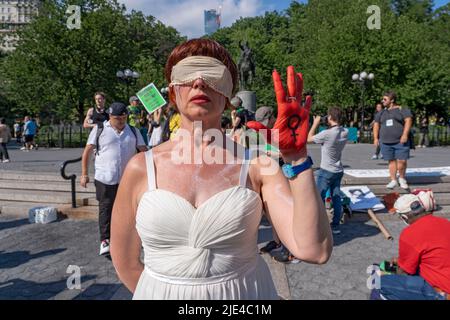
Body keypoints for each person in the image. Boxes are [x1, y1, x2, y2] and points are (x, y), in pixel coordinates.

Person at [110, 38, 332, 300]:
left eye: (213, 74)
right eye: (187, 73)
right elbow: (125, 262)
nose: (199, 81)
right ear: (172, 91)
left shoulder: (258, 168)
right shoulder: (140, 168)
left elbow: (314, 250)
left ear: (228, 94)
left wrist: (298, 160)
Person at [80, 102, 147, 256]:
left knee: (130, 209)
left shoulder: (133, 131)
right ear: (110, 117)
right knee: (106, 208)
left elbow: (144, 152)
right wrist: (84, 174)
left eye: (124, 117)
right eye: (118, 118)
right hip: (105, 177)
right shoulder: (100, 129)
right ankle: (105, 240)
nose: (121, 121)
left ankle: (130, 238)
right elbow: (87, 152)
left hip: (126, 179)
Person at [371, 190, 450, 300]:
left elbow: (404, 272)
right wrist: (401, 261)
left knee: (380, 282)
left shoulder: (410, 233)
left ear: (404, 217)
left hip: (443, 289)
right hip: (443, 275)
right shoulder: (445, 222)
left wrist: (395, 269)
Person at [307, 107, 348, 235]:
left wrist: (315, 123)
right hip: (338, 170)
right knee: (336, 197)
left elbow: (308, 139)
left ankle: (317, 225)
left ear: (330, 117)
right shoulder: (345, 131)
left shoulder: (327, 134)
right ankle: (335, 225)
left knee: (319, 198)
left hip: (326, 171)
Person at [373, 91, 413, 190]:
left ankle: (402, 178)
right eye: (382, 99)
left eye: (385, 99)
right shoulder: (381, 112)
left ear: (392, 100)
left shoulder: (402, 109)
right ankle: (393, 180)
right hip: (385, 142)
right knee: (391, 161)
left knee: (402, 161)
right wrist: (375, 138)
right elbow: (376, 125)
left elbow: (408, 121)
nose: (382, 101)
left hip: (400, 141)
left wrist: (405, 135)